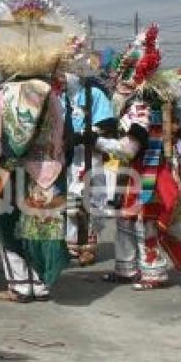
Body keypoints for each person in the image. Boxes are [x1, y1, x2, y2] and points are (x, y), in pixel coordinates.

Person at [0, 0, 81, 303]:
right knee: (41, 227)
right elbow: (65, 138)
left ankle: (20, 285)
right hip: (47, 171)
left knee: (9, 227)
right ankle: (42, 284)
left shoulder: (2, 95)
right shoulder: (54, 97)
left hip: (10, 173)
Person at [96, 24, 181, 290]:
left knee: (144, 221)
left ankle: (154, 272)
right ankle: (126, 268)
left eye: (125, 75)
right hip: (133, 172)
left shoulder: (143, 105)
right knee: (125, 219)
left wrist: (99, 142)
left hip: (150, 171)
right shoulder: (133, 103)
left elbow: (128, 148)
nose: (119, 81)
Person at [60, 71, 116, 266]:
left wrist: (85, 134)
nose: (62, 76)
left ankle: (87, 246)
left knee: (90, 199)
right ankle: (71, 245)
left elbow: (107, 124)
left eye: (66, 71)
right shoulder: (59, 95)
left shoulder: (94, 95)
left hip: (89, 155)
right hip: (65, 157)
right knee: (69, 202)